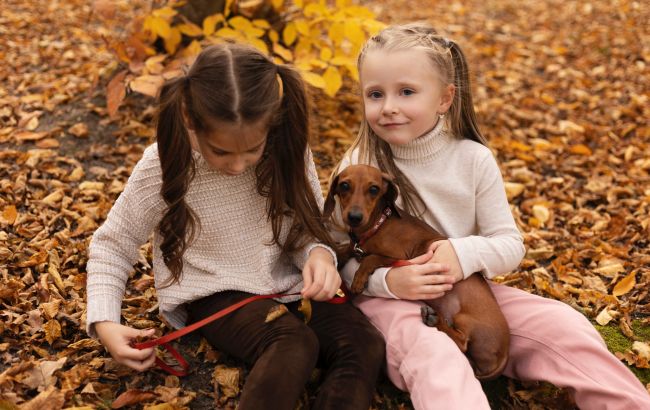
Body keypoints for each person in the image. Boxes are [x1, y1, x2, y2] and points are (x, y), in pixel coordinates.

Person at [333, 23, 650, 409]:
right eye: (375, 94)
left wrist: (461, 254)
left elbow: (510, 244)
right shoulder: (357, 168)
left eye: (407, 92)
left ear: (445, 99)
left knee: (565, 326)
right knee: (437, 357)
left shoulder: (472, 159)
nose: (389, 107)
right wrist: (388, 281)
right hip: (390, 304)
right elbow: (339, 254)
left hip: (469, 294)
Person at [85, 43, 385, 410]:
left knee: (364, 342)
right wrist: (104, 322)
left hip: (289, 286)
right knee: (293, 343)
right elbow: (113, 244)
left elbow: (303, 229)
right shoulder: (165, 164)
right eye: (221, 151)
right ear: (189, 119)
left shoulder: (288, 148)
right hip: (216, 294)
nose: (238, 165)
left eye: (252, 150)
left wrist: (319, 255)